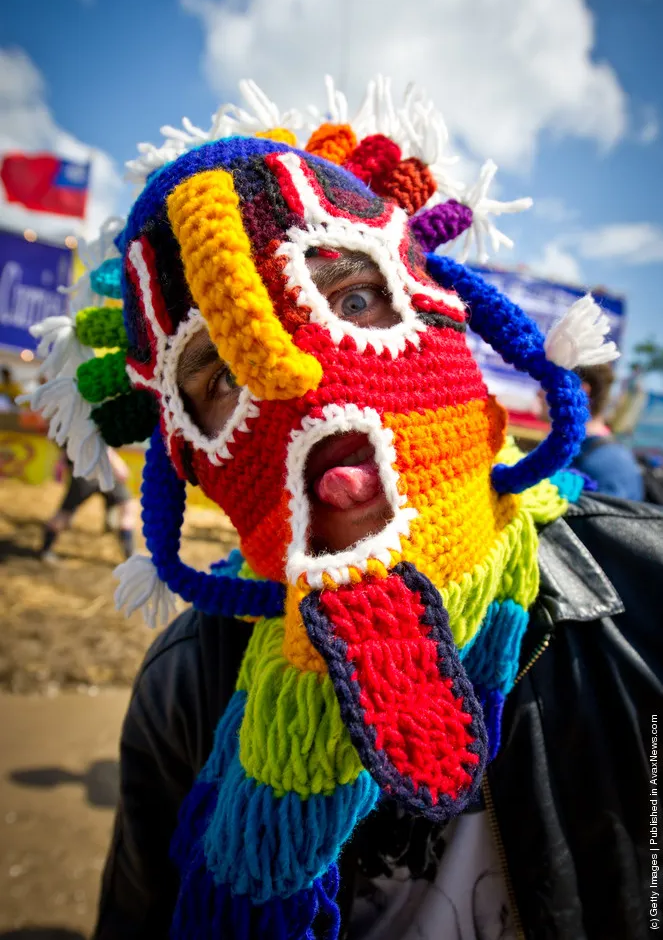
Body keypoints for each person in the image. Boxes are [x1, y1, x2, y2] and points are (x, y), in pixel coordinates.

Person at [26, 79, 662, 940]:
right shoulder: (189, 681)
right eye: (224, 373)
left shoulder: (643, 601)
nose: (307, 386)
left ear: (437, 315)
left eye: (353, 299)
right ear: (189, 459)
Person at [40, 447, 136, 562]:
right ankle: (130, 554)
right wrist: (119, 466)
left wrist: (60, 466)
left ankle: (46, 550)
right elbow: (103, 447)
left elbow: (66, 451)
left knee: (127, 506)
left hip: (87, 474)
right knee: (127, 509)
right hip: (102, 473)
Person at [573, 363, 645, 500]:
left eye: (549, 383)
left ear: (580, 391)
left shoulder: (612, 461)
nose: (540, 392)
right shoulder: (580, 448)